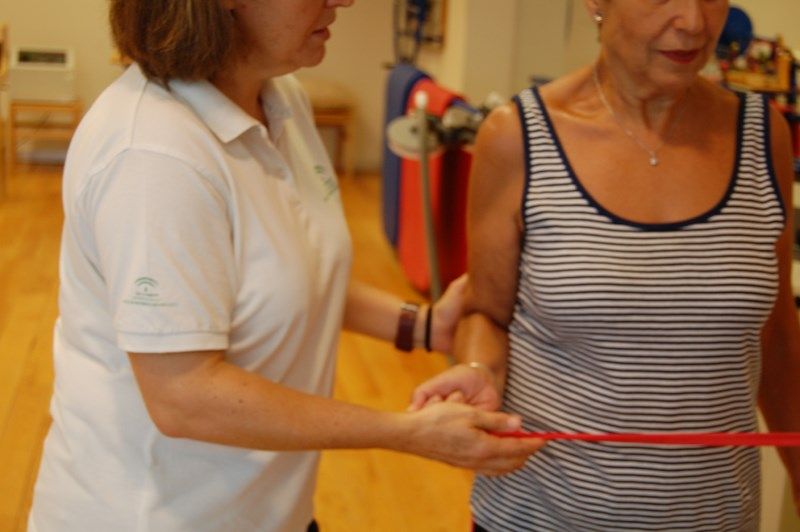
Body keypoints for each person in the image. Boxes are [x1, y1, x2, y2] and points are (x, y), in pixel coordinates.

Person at [26, 1, 545, 530]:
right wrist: (406, 431)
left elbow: (295, 270)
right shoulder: (155, 154)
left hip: (269, 509)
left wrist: (422, 324)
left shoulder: (279, 97)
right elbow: (184, 396)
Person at [410, 0, 800, 530]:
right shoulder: (516, 136)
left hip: (717, 515)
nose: (693, 21)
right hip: (541, 515)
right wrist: (478, 372)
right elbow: (485, 312)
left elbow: (776, 337)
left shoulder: (762, 136)